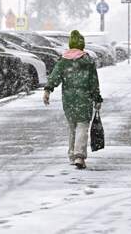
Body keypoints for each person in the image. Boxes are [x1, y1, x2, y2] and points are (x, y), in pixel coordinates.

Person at [43, 30, 102, 169]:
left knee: (72, 127)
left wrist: (47, 90)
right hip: (84, 98)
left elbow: (54, 77)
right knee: (82, 126)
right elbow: (94, 82)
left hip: (69, 99)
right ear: (82, 45)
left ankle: (72, 154)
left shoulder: (64, 61)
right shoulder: (88, 61)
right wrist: (97, 98)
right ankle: (79, 156)